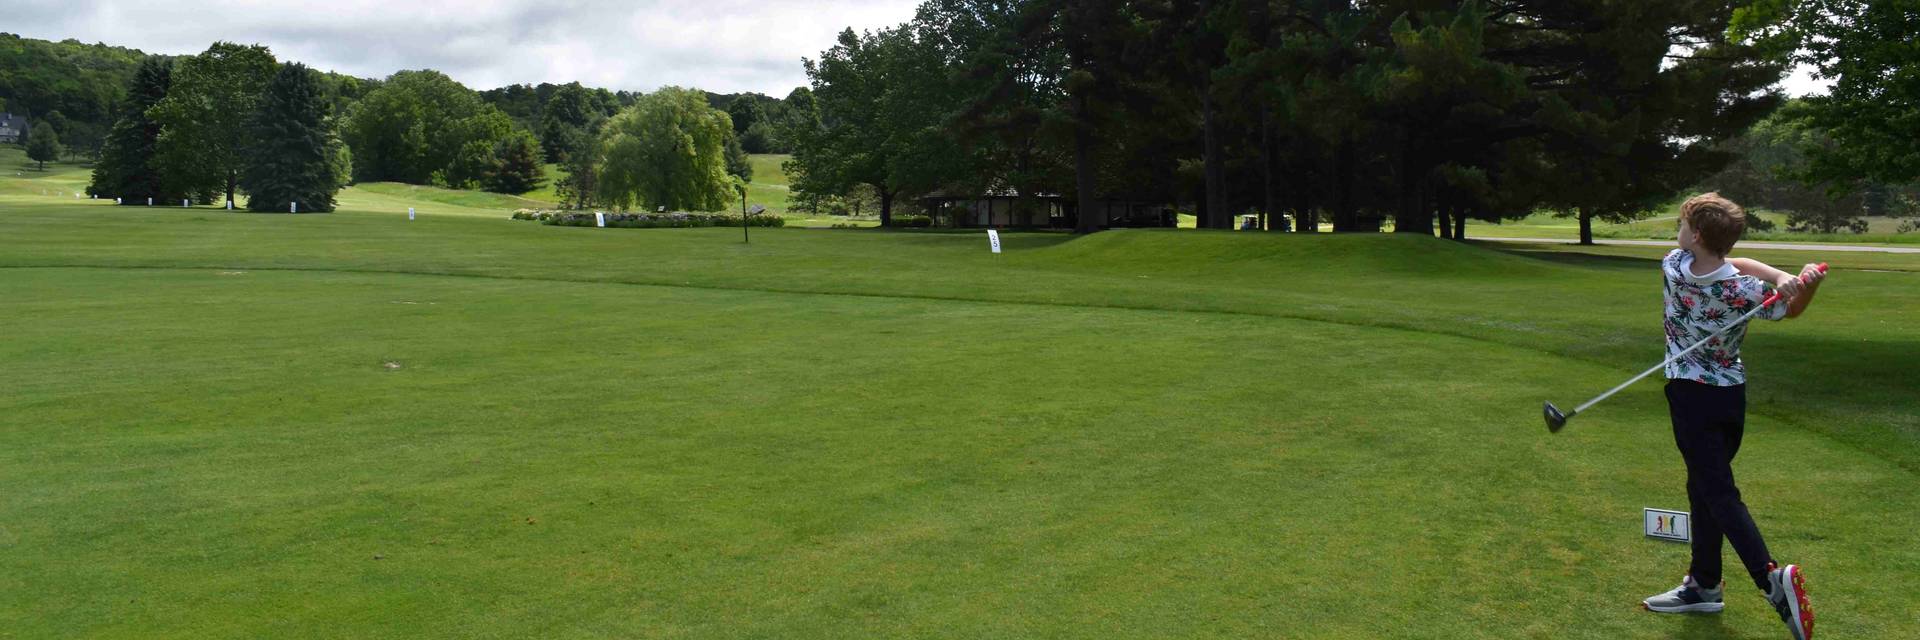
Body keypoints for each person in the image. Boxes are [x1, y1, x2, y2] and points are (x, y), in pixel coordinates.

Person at [1639, 193, 1825, 640]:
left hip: (1690, 397)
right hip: (1730, 398)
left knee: (1718, 491)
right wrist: (1796, 280)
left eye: (1683, 226)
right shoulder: (1746, 292)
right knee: (1703, 485)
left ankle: (1770, 581)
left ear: (1696, 236)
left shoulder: (1673, 266)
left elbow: (1731, 260)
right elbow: (1783, 300)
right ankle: (1703, 584)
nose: (1677, 234)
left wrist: (1781, 278)